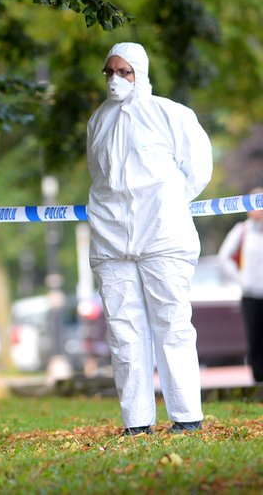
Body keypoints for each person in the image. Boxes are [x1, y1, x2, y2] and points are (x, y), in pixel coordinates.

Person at [86, 42, 213, 436]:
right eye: (109, 72)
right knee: (123, 331)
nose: (115, 79)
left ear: (139, 72)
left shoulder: (170, 115)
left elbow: (197, 169)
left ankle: (187, 416)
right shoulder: (98, 121)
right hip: (112, 241)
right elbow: (99, 176)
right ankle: (136, 423)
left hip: (163, 236)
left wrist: (165, 205)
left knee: (172, 325)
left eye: (123, 72)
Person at [219, 187, 263, 383]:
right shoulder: (242, 230)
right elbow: (224, 257)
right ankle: (258, 379)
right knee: (256, 338)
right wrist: (239, 277)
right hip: (251, 294)